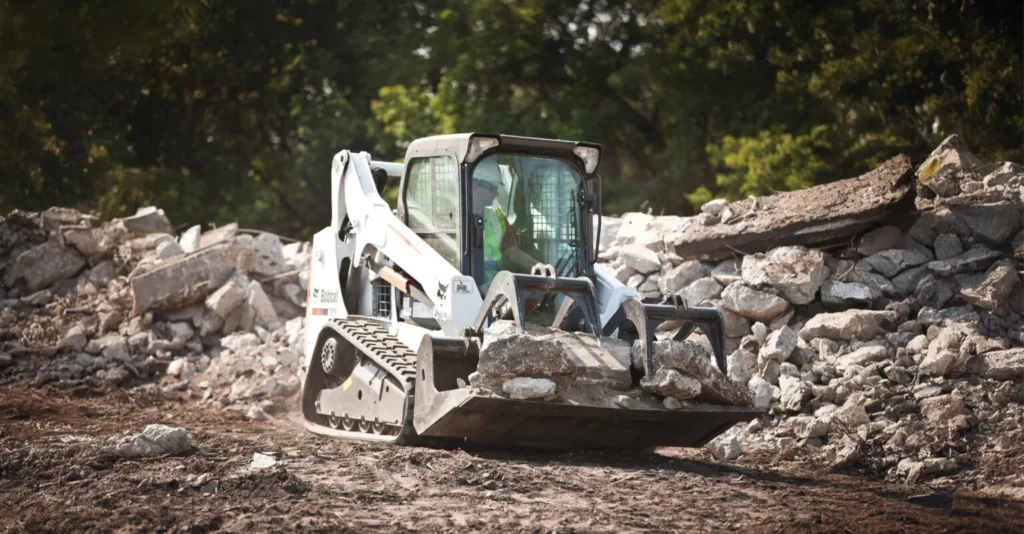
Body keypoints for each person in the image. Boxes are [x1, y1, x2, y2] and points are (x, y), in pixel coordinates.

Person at [471, 160, 541, 285]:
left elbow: (514, 254)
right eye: (492, 188)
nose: (496, 193)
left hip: (494, 291)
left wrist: (538, 266)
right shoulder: (454, 222)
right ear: (474, 187)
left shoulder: (498, 218)